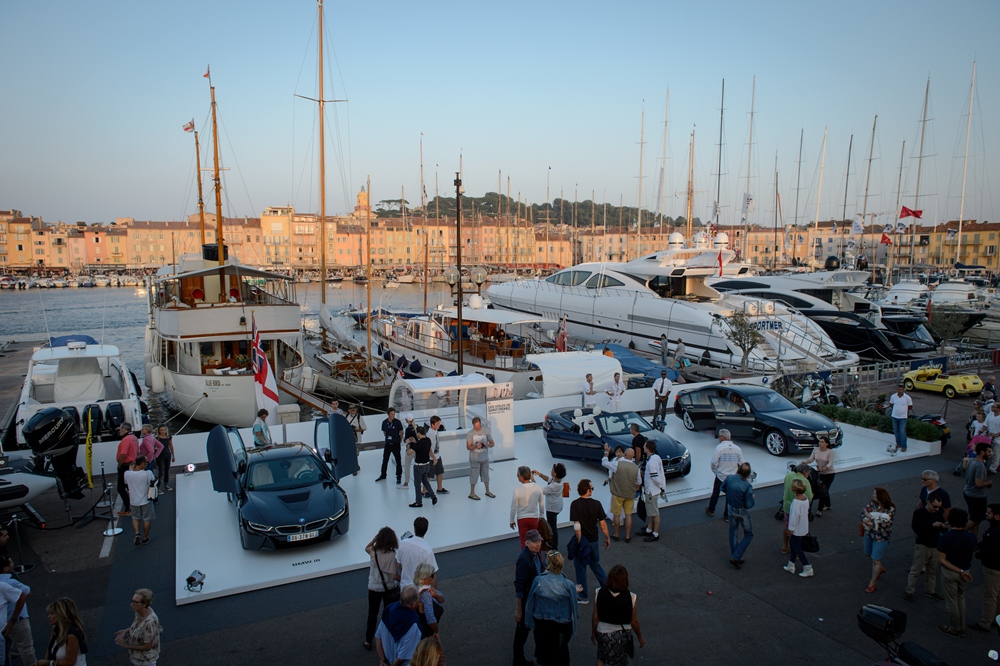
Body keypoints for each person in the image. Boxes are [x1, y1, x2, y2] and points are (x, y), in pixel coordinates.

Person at [524, 551, 578, 666]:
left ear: (548, 564)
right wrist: (573, 629)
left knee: (544, 656)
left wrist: (529, 622)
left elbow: (530, 602)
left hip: (542, 624)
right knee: (561, 655)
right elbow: (574, 609)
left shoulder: (539, 581)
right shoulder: (568, 585)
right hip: (562, 625)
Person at [592, 564, 644, 666]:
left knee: (601, 657)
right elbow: (634, 622)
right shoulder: (631, 597)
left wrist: (593, 633)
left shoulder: (599, 592)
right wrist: (640, 637)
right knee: (620, 662)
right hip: (621, 635)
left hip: (603, 632)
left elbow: (595, 617)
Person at [936, 507, 977, 638]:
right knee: (960, 598)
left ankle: (955, 627)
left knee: (952, 601)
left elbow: (942, 560)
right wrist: (963, 571)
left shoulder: (946, 538)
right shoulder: (971, 537)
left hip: (951, 572)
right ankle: (962, 626)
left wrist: (958, 570)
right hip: (966, 571)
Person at [569, 479, 610, 604]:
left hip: (583, 541)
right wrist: (607, 537)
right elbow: (602, 523)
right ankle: (608, 589)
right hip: (594, 540)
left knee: (580, 568)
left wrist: (580, 540)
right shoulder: (596, 504)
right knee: (595, 564)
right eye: (592, 488)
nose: (592, 490)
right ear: (587, 490)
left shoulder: (575, 504)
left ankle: (583, 595)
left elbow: (577, 526)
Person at [904, 495, 947, 602]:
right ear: (928, 502)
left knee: (931, 571)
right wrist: (932, 525)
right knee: (916, 569)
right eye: (935, 506)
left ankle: (930, 590)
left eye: (938, 507)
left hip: (935, 546)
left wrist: (943, 527)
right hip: (923, 545)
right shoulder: (919, 513)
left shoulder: (938, 513)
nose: (937, 509)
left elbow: (944, 531)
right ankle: (909, 591)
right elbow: (917, 530)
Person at [364, 527, 401, 651]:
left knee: (372, 614)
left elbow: (366, 547)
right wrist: (404, 580)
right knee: (388, 614)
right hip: (389, 588)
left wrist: (374, 540)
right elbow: (394, 576)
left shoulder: (373, 552)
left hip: (374, 588)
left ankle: (368, 640)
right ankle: (387, 639)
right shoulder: (393, 555)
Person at [514, 530, 546, 666]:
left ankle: (536, 657)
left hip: (535, 599)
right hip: (528, 601)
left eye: (539, 541)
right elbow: (519, 587)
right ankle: (518, 660)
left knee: (536, 629)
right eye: (535, 542)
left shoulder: (536, 554)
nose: (538, 544)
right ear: (527, 543)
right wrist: (519, 610)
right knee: (522, 630)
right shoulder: (524, 559)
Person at [601, 445, 641, 543]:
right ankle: (627, 536)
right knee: (628, 515)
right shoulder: (636, 468)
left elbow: (604, 463)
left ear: (625, 454)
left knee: (617, 514)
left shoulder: (617, 464)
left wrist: (606, 452)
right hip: (630, 495)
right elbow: (638, 482)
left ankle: (616, 534)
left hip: (618, 493)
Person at [375, 586, 423, 666]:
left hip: (389, 660)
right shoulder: (412, 625)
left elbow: (378, 637)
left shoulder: (389, 610)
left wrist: (383, 660)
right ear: (414, 604)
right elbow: (401, 658)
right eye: (418, 599)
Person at [0, 557, 35, 666]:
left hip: (3, 624)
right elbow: (26, 592)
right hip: (17, 621)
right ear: (6, 568)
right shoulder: (9, 583)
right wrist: (13, 620)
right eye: (11, 562)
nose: (13, 563)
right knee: (26, 650)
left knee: (6, 649)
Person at [971, 504, 1000, 633]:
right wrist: (979, 546)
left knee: (990, 595)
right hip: (995, 566)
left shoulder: (997, 531)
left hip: (993, 568)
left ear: (997, 516)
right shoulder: (995, 528)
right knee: (997, 595)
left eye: (989, 513)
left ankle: (985, 623)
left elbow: (994, 549)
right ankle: (995, 618)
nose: (987, 514)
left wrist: (980, 553)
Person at [861, 487, 896, 593]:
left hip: (881, 537)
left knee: (875, 559)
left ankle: (872, 583)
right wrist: (866, 520)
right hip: (869, 534)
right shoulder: (872, 504)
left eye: (875, 494)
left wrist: (869, 519)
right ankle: (880, 569)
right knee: (869, 554)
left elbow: (884, 523)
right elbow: (863, 513)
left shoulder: (890, 509)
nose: (873, 495)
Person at [114, 589, 161, 666]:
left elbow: (147, 646)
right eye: (132, 601)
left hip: (146, 660)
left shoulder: (149, 623)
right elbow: (139, 628)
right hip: (139, 658)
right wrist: (126, 631)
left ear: (144, 604)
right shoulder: (138, 612)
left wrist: (127, 645)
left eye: (135, 602)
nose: (131, 604)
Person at [722, 462, 755, 568]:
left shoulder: (730, 478)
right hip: (741, 512)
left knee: (733, 532)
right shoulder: (747, 486)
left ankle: (736, 555)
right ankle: (736, 556)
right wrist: (751, 498)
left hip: (730, 508)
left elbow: (722, 488)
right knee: (749, 534)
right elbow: (749, 504)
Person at [37, 597, 86, 666]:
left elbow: (70, 662)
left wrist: (47, 663)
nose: (49, 617)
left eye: (52, 613)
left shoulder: (71, 635)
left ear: (61, 614)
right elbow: (49, 651)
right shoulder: (55, 630)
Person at [706, 430, 743, 520]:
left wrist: (716, 472)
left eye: (719, 436)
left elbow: (714, 462)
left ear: (723, 437)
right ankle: (727, 516)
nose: (718, 438)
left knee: (715, 493)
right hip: (733, 477)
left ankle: (711, 510)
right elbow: (742, 463)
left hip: (721, 476)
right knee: (730, 496)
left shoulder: (719, 448)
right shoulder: (737, 448)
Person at [636, 441, 666, 542]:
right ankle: (649, 529)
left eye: (644, 446)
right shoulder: (656, 458)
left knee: (654, 512)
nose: (643, 446)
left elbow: (655, 478)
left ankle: (655, 533)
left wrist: (661, 488)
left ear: (648, 449)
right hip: (653, 490)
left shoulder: (651, 462)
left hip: (651, 491)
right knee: (650, 511)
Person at [396, 517, 438, 588]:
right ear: (426, 530)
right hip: (421, 590)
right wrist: (435, 593)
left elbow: (398, 564)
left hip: (405, 588)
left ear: (414, 529)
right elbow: (432, 574)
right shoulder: (427, 550)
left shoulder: (403, 544)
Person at [781, 464, 814, 553]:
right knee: (797, 530)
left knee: (787, 526)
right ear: (806, 473)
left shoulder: (789, 475)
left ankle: (785, 546)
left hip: (787, 505)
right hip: (799, 508)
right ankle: (796, 551)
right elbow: (809, 497)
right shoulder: (804, 481)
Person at [783, 479, 813, 577]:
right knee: (793, 544)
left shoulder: (796, 502)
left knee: (796, 547)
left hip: (797, 529)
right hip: (803, 526)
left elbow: (794, 517)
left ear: (795, 488)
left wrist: (790, 529)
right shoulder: (805, 498)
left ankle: (807, 566)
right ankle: (791, 564)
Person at [533, 464, 567, 550]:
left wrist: (532, 479)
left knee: (552, 527)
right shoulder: (559, 480)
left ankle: (554, 546)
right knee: (552, 525)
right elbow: (549, 479)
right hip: (558, 505)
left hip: (552, 509)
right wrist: (540, 474)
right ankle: (553, 543)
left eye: (552, 471)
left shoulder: (554, 486)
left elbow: (540, 491)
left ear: (555, 474)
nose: (551, 471)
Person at [510, 466, 545, 548]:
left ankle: (525, 559)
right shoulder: (538, 487)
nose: (517, 476)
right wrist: (542, 516)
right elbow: (542, 503)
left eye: (518, 475)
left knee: (524, 541)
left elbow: (513, 507)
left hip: (522, 518)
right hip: (534, 518)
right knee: (536, 540)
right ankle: (537, 559)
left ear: (522, 477)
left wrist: (512, 520)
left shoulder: (517, 490)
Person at [124, 456, 155, 546]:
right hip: (146, 500)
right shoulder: (147, 473)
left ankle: (137, 533)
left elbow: (126, 483)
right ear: (142, 463)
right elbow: (153, 480)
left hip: (133, 500)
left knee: (135, 517)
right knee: (147, 519)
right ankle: (145, 538)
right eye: (146, 463)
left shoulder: (127, 474)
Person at [965, 441, 993, 537]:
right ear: (982, 452)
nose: (991, 454)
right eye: (989, 452)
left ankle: (974, 540)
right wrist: (988, 483)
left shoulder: (972, 460)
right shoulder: (980, 465)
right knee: (976, 519)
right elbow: (979, 483)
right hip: (976, 496)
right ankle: (957, 534)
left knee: (974, 518)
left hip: (968, 492)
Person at [466, 416, 495, 501]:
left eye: (478, 426)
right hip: (474, 459)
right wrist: (475, 446)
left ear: (480, 424)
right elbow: (468, 447)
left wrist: (487, 444)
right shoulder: (470, 433)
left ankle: (488, 491)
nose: (477, 428)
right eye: (475, 427)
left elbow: (492, 443)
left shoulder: (486, 431)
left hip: (485, 458)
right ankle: (472, 493)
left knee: (486, 475)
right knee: (474, 476)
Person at [804, 436, 835, 513]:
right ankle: (828, 505)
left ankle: (819, 510)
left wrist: (823, 469)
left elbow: (830, 463)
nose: (820, 443)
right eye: (820, 441)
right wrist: (804, 463)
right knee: (824, 490)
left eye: (822, 442)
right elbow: (810, 459)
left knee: (823, 490)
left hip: (829, 474)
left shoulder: (830, 452)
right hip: (820, 473)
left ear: (826, 444)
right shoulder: (816, 449)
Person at [408, 427, 437, 509]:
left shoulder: (419, 443)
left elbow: (409, 453)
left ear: (419, 433)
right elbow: (426, 448)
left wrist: (409, 444)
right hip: (426, 464)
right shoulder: (428, 440)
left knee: (417, 484)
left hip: (419, 466)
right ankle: (433, 496)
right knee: (425, 481)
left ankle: (418, 502)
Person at [413, 563, 444, 637]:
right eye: (432, 576)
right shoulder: (426, 595)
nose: (433, 577)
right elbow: (430, 619)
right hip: (428, 631)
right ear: (425, 578)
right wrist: (436, 631)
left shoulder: (416, 587)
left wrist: (436, 595)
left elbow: (442, 599)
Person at [115, 423, 139, 517]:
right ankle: (135, 506)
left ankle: (128, 508)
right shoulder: (134, 438)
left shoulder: (125, 440)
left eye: (120, 428)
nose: (119, 430)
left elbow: (123, 454)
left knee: (120, 488)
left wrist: (119, 465)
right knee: (130, 486)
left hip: (125, 465)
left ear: (124, 429)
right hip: (132, 464)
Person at [378, 407, 404, 487]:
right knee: (385, 460)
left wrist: (399, 440)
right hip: (388, 443)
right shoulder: (384, 422)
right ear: (388, 414)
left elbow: (401, 432)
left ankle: (398, 476)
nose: (393, 416)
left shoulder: (397, 422)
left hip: (396, 443)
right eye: (392, 414)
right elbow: (384, 432)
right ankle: (383, 475)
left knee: (398, 460)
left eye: (394, 414)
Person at [888, 383, 913, 454]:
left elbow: (910, 406)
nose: (900, 391)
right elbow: (892, 405)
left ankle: (904, 446)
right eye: (899, 389)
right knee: (896, 431)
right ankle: (898, 444)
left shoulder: (907, 398)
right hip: (894, 416)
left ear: (903, 390)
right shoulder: (893, 396)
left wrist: (903, 411)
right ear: (897, 389)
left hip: (903, 418)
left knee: (902, 431)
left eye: (901, 389)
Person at [428, 416, 449, 495]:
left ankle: (439, 488)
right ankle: (425, 491)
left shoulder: (436, 431)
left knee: (440, 472)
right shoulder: (430, 434)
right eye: (437, 423)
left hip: (437, 455)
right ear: (432, 424)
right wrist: (433, 457)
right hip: (431, 458)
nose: (439, 425)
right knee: (429, 475)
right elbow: (429, 447)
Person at [153, 425, 174, 493]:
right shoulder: (157, 438)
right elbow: (153, 447)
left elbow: (171, 446)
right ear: (159, 431)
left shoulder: (169, 437)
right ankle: (158, 486)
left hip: (167, 455)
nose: (163, 431)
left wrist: (173, 455)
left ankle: (166, 484)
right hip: (160, 456)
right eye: (161, 430)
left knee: (167, 470)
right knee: (161, 472)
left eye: (164, 430)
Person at [347, 405, 366, 476]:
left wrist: (356, 430)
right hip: (349, 439)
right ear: (349, 410)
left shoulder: (359, 417)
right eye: (351, 410)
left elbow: (364, 427)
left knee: (355, 454)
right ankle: (355, 466)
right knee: (351, 454)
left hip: (357, 439)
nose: (353, 411)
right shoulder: (346, 417)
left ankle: (355, 468)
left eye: (354, 410)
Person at [402, 414, 417, 490]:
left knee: (407, 466)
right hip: (417, 449)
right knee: (418, 465)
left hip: (411, 449)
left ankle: (406, 483)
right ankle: (420, 481)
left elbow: (407, 441)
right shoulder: (416, 427)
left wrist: (408, 450)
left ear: (407, 420)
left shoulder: (408, 429)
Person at [987, 403, 1000, 474]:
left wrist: (996, 435)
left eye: (993, 407)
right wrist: (982, 431)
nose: (991, 407)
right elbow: (986, 424)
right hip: (990, 438)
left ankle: (993, 469)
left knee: (995, 454)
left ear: (998, 409)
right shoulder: (990, 414)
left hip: (998, 440)